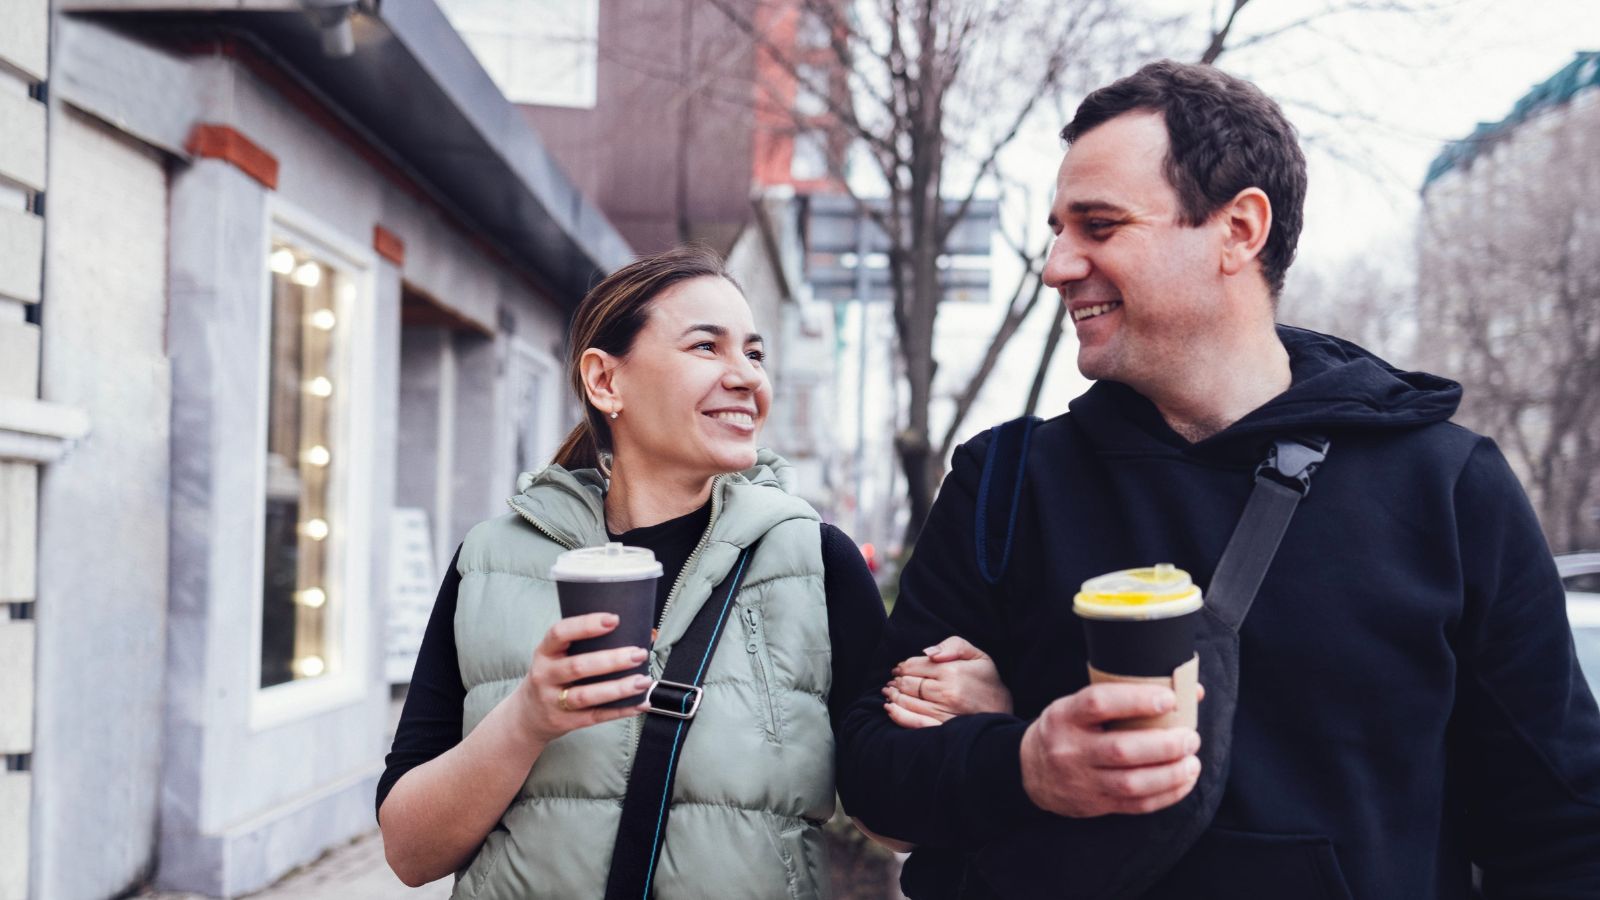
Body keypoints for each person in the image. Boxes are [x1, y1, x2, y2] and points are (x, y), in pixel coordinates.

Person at [838, 60, 1600, 899]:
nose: (1056, 265)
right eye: (1058, 230)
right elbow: (873, 773)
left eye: (1099, 225)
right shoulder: (1005, 484)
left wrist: (1013, 703)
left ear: (1239, 229)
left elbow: (1561, 833)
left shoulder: (1447, 489)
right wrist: (1024, 762)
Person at [375, 245, 1005, 899]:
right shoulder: (491, 561)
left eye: (754, 354)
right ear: (605, 381)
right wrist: (527, 719)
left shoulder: (817, 564)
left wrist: (968, 722)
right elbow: (409, 853)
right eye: (707, 346)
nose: (746, 377)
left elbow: (895, 822)